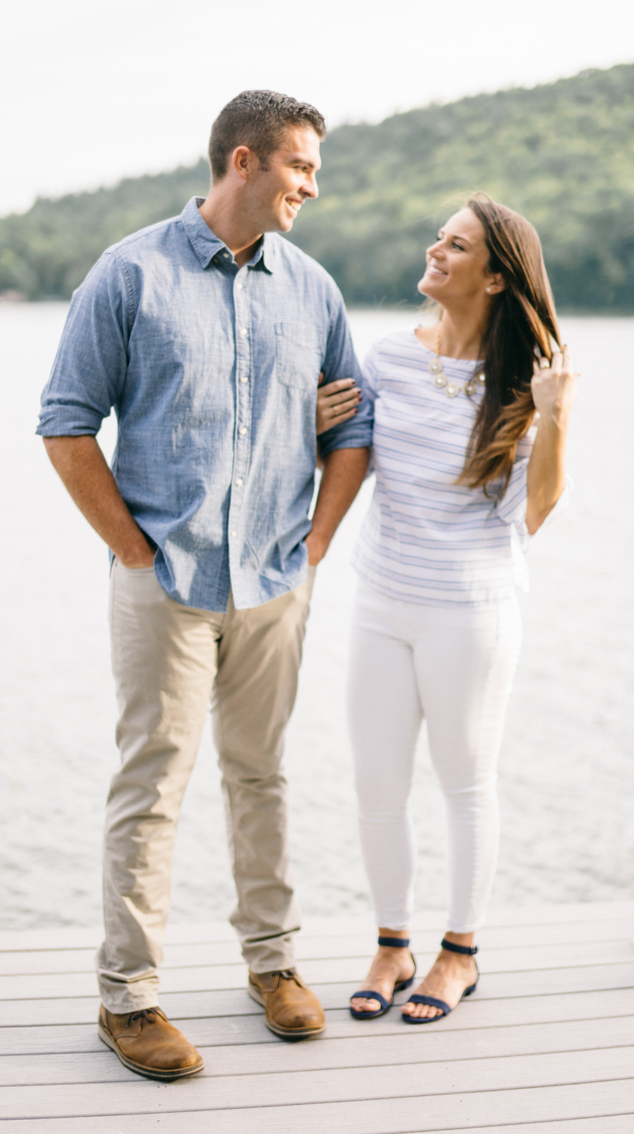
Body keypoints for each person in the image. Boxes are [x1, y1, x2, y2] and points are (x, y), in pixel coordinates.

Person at [36, 90, 372, 1078]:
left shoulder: (311, 290)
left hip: (274, 580)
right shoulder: (129, 273)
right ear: (242, 161)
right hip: (165, 583)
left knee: (260, 775)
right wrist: (133, 553)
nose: (312, 185)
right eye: (300, 166)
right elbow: (65, 424)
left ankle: (272, 966)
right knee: (153, 784)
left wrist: (311, 547)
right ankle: (129, 997)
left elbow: (352, 431)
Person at [332, 193, 578, 1023]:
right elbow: (348, 463)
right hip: (379, 599)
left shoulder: (526, 384)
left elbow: (535, 515)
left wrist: (556, 420)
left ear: (498, 276)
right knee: (376, 780)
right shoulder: (386, 358)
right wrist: (312, 422)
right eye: (438, 238)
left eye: (458, 244)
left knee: (464, 782)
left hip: (468, 613)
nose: (436, 251)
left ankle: (460, 953)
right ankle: (392, 943)